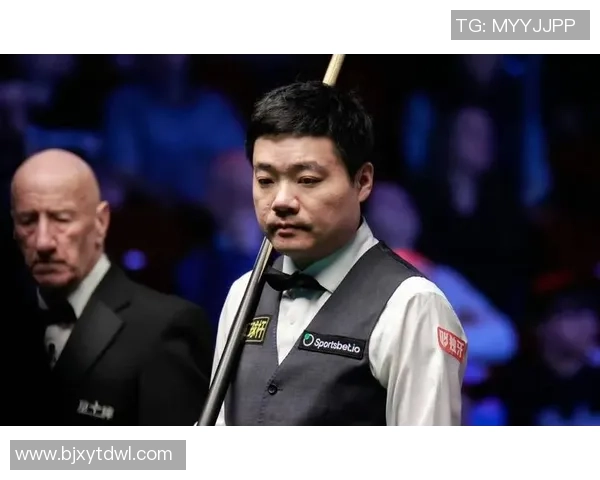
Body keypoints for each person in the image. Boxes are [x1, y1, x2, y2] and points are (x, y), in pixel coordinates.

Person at [210, 81, 468, 426]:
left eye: (307, 180)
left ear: (362, 182)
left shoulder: (412, 305)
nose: (281, 201)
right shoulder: (244, 294)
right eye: (266, 180)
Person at [9, 148, 213, 426]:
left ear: (100, 221)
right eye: (28, 221)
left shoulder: (166, 327)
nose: (43, 242)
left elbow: (177, 452)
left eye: (61, 218)